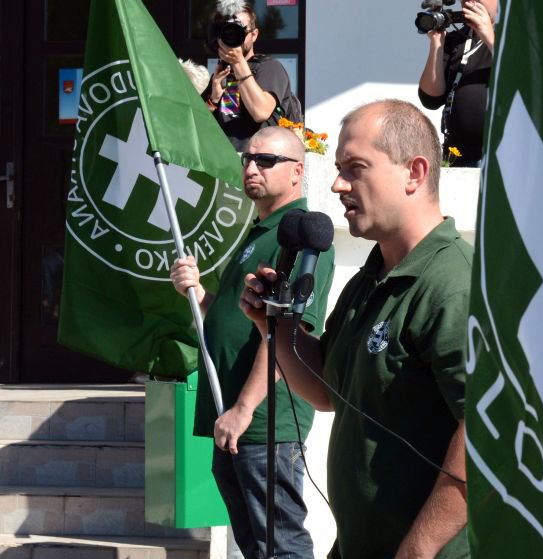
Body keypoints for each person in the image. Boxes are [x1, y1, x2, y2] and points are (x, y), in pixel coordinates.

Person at [239, 100, 471, 558]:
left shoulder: (453, 284)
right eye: (338, 168)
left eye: (355, 168)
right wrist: (275, 325)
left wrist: (417, 550)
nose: (338, 184)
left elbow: (485, 435)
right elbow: (328, 392)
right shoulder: (371, 277)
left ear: (414, 172)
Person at [170, 126, 335, 559]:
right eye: (247, 159)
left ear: (297, 171)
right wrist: (197, 291)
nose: (251, 168)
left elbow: (289, 335)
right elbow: (236, 318)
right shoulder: (261, 233)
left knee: (281, 546)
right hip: (235, 420)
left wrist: (243, 411)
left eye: (266, 160)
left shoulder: (301, 238)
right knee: (258, 547)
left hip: (264, 423)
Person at [203, 1, 302, 151]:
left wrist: (238, 63)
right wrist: (213, 100)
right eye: (227, 30)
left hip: (259, 159)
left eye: (238, 30)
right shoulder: (221, 73)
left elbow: (260, 112)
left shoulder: (269, 68)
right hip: (225, 159)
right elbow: (196, 124)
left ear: (254, 35)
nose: (232, 35)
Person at [418, 0, 497, 167]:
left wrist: (489, 36)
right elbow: (430, 99)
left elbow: (519, 74)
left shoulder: (514, 38)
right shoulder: (459, 39)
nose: (470, 2)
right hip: (458, 156)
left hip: (498, 158)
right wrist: (437, 43)